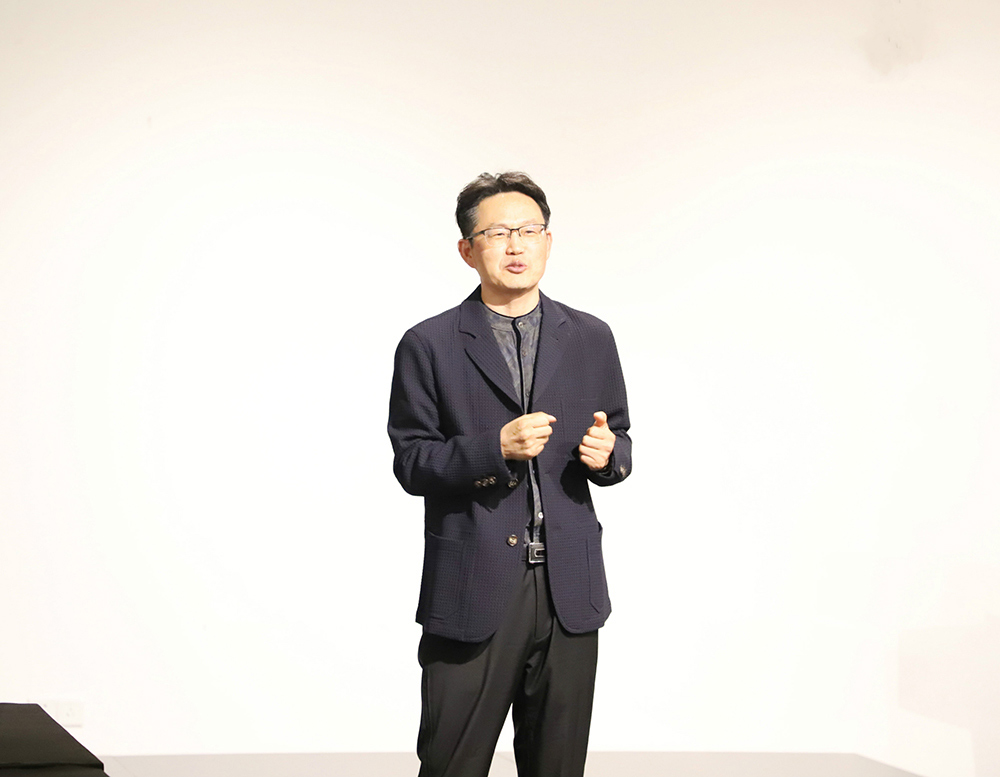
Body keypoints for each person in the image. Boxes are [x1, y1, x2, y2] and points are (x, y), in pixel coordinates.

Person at [387, 171, 632, 777]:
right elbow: (411, 461)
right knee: (451, 765)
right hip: (472, 584)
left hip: (569, 588)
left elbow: (620, 439)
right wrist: (492, 449)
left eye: (529, 230)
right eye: (497, 233)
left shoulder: (591, 337)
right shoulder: (428, 343)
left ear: (548, 241)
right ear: (467, 250)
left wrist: (609, 455)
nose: (516, 245)